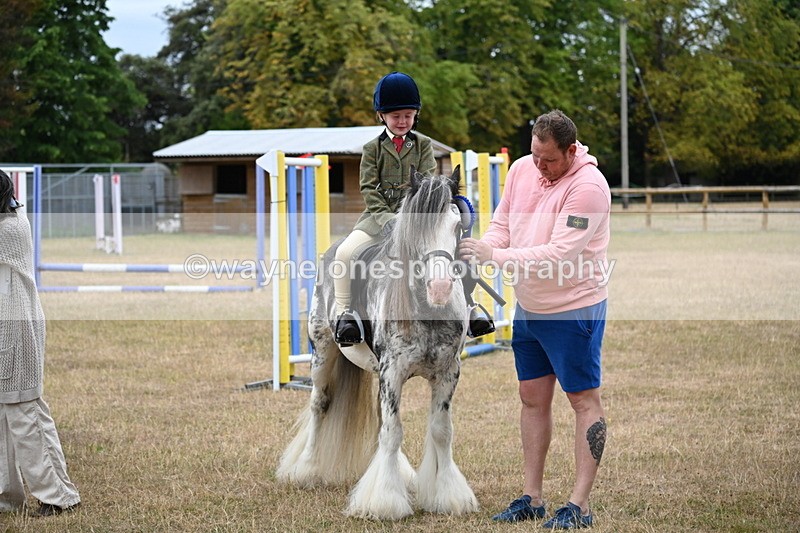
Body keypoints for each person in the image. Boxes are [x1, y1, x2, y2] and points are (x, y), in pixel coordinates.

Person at [458, 110, 610, 529]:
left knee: (583, 401)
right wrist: (481, 250)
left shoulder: (589, 188)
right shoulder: (522, 169)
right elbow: (502, 224)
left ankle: (579, 506)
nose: (539, 166)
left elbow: (559, 254)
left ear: (572, 150)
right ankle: (533, 497)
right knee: (531, 398)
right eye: (535, 155)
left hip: (573, 309)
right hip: (529, 308)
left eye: (549, 159)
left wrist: (495, 256)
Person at [333, 71, 494, 345]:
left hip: (419, 222)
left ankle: (470, 306)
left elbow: (428, 187)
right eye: (395, 116)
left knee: (458, 253)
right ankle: (345, 314)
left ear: (416, 115)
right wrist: (388, 220)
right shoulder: (372, 149)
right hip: (378, 219)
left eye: (408, 115)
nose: (402, 121)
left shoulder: (423, 145)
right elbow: (369, 189)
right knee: (344, 253)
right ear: (381, 116)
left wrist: (412, 219)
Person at [0, 170, 81, 517]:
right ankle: (6, 496)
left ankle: (59, 496)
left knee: (25, 411)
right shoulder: (13, 216)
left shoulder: (8, 229)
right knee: (4, 416)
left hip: (14, 330)